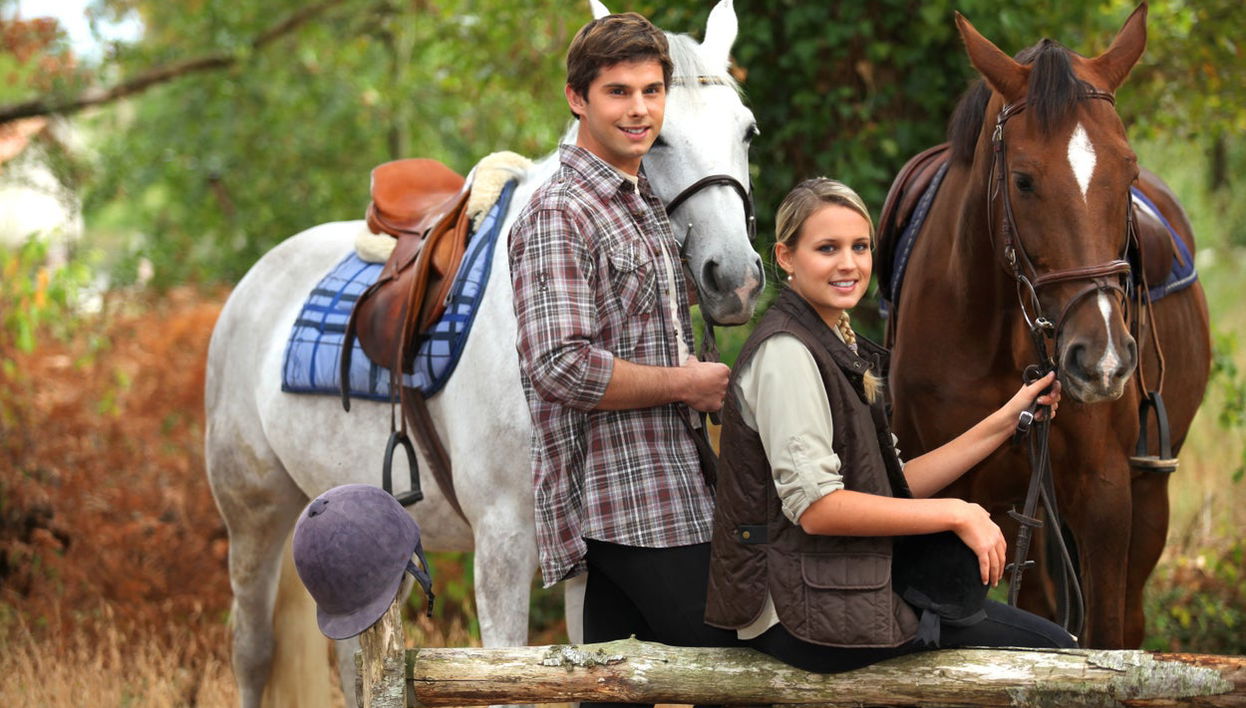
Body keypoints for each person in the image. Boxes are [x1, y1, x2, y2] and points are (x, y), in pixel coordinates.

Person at [705, 177, 1076, 674]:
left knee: (1039, 641)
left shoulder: (834, 341)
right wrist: (957, 513)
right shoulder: (787, 354)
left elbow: (893, 485)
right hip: (798, 610)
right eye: (827, 248)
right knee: (1053, 654)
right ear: (787, 257)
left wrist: (1009, 419)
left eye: (860, 247)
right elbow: (817, 508)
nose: (849, 264)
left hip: (838, 587)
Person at [508, 10, 740, 687]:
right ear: (577, 98)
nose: (640, 110)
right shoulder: (561, 212)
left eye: (651, 91)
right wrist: (685, 384)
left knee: (614, 687)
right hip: (628, 504)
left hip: (668, 487)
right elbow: (560, 365)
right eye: (618, 92)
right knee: (741, 675)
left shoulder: (638, 203)